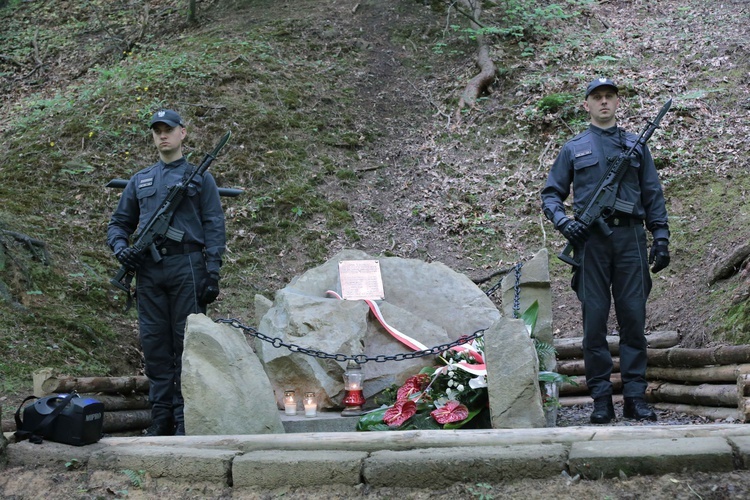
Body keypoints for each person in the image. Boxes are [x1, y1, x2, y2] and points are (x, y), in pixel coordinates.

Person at [541, 78, 670, 424]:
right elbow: (551, 194)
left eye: (609, 97)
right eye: (596, 98)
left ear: (617, 103)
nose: (603, 103)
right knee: (594, 324)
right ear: (586, 105)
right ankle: (601, 400)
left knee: (633, 321)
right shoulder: (574, 148)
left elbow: (652, 194)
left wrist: (661, 237)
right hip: (591, 245)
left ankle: (634, 399)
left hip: (630, 241)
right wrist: (564, 223)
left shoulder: (636, 147)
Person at [107, 109, 226, 436]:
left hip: (187, 266)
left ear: (182, 133)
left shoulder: (200, 178)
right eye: (157, 130)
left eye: (169, 129)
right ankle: (161, 420)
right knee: (156, 347)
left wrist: (212, 272)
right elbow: (118, 224)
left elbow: (214, 225)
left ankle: (187, 420)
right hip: (148, 271)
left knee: (185, 346)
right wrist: (122, 250)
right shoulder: (140, 179)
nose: (163, 135)